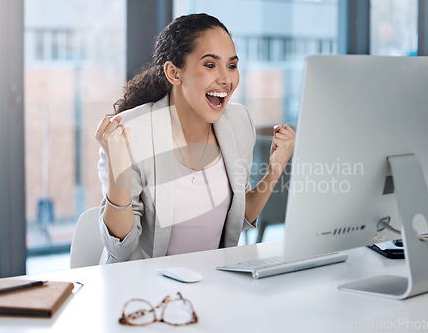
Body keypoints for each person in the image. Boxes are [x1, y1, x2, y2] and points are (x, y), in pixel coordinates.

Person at [95, 13, 295, 264]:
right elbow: (121, 249)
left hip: (213, 285)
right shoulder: (131, 132)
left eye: (232, 65)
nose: (226, 78)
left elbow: (237, 217)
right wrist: (119, 170)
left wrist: (275, 170)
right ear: (174, 73)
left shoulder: (238, 123)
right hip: (142, 291)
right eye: (210, 65)